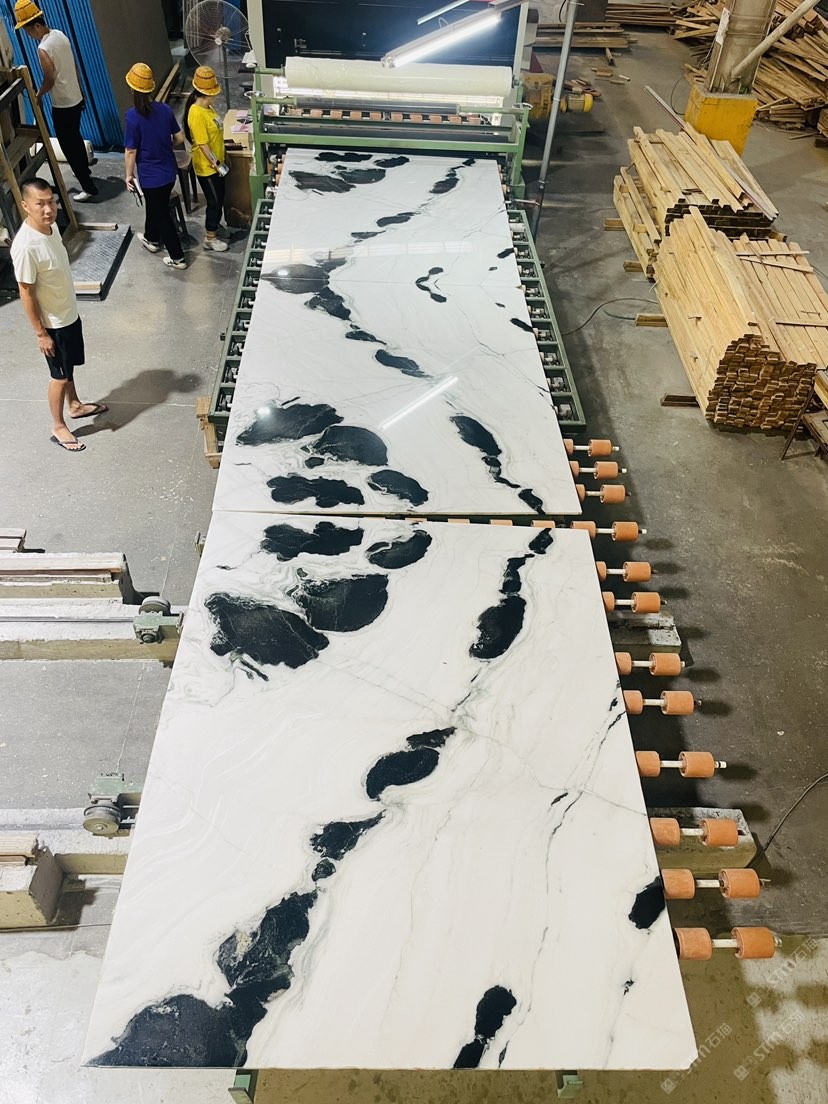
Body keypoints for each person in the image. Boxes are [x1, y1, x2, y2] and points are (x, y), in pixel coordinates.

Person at [11, 178, 107, 453]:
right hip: (52, 324)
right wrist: (40, 333)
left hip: (67, 314)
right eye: (40, 204)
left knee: (69, 367)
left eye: (51, 202)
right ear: (25, 205)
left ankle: (74, 405)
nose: (48, 209)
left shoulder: (51, 228)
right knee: (59, 376)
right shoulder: (26, 246)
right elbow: (26, 292)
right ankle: (58, 425)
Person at [13, 0, 97, 202]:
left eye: (28, 31)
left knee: (68, 145)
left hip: (63, 104)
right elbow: (74, 66)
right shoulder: (60, 35)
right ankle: (84, 170)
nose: (29, 36)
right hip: (75, 97)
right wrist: (81, 90)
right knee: (75, 137)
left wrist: (39, 94)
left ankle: (88, 187)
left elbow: (49, 79)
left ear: (37, 25)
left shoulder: (44, 48)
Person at [123, 63, 187, 270]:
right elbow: (179, 138)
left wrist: (129, 175)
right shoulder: (165, 110)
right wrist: (165, 145)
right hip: (169, 173)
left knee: (162, 215)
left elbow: (131, 151)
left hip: (151, 178)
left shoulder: (132, 117)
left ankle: (178, 258)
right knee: (155, 205)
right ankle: (151, 239)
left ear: (132, 89)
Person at [183, 66, 229, 252]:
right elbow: (202, 144)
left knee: (220, 198)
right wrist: (216, 164)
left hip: (217, 164)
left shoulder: (208, 108)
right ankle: (210, 238)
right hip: (207, 168)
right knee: (214, 202)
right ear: (207, 93)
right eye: (214, 93)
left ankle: (215, 226)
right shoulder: (196, 113)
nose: (216, 96)